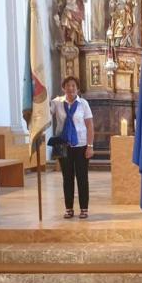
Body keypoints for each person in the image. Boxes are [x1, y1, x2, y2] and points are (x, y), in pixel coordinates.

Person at [50, 76, 94, 219]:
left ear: (77, 88)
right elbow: (45, 114)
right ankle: (69, 208)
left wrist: (90, 146)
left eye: (73, 85)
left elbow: (89, 126)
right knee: (67, 178)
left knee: (82, 178)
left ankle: (84, 208)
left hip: (81, 145)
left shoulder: (83, 104)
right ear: (63, 88)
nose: (70, 88)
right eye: (68, 85)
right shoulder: (57, 103)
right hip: (64, 145)